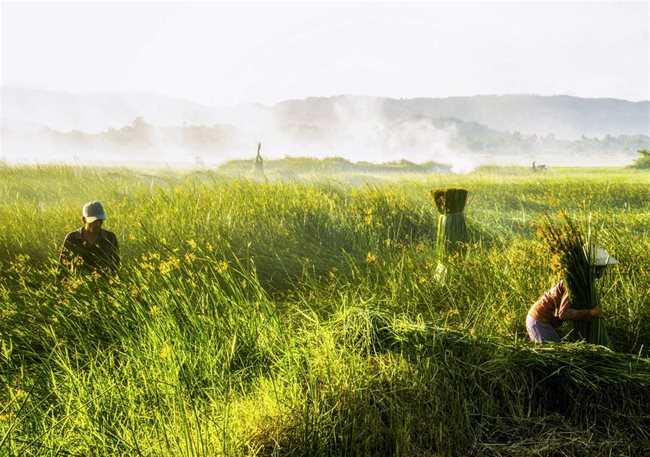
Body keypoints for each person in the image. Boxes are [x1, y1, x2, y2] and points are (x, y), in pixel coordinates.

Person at [526, 247, 618, 343]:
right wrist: (591, 312)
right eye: (601, 267)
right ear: (593, 268)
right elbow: (564, 314)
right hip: (539, 321)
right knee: (556, 354)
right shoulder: (572, 284)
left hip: (541, 321)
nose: (602, 271)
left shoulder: (584, 284)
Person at [59, 201, 120, 276]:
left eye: (100, 221)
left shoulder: (109, 237)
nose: (97, 224)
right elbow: (62, 267)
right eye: (94, 221)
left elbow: (116, 265)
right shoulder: (72, 238)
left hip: (104, 284)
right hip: (79, 285)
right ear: (84, 220)